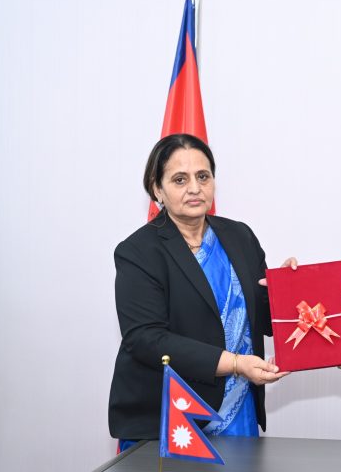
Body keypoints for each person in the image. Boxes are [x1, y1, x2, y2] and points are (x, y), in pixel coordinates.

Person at [108, 133, 290, 451]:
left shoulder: (240, 236)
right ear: (157, 189)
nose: (194, 188)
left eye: (203, 176)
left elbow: (263, 316)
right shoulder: (138, 252)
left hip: (238, 410)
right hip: (169, 418)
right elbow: (146, 339)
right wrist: (234, 363)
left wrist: (290, 290)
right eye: (180, 179)